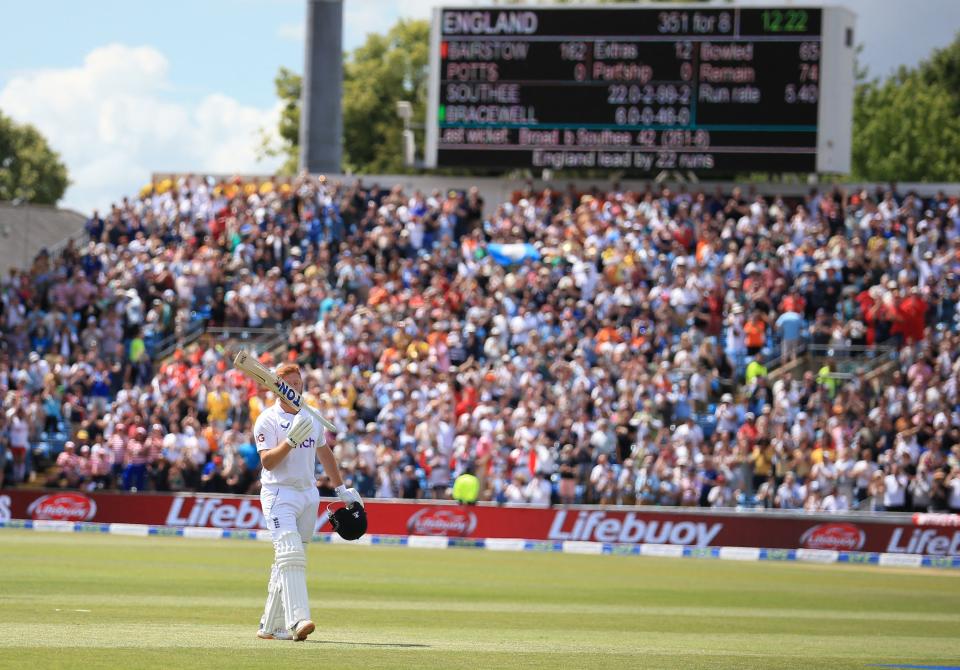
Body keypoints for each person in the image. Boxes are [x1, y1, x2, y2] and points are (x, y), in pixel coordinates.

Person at [253, 361, 362, 642]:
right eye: (288, 384)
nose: (295, 388)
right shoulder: (267, 419)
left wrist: (341, 489)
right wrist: (289, 441)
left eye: (298, 383)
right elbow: (267, 463)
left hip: (307, 494)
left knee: (288, 561)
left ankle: (268, 626)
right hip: (279, 493)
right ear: (276, 386)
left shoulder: (310, 417)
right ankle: (297, 620)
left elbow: (325, 454)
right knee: (290, 553)